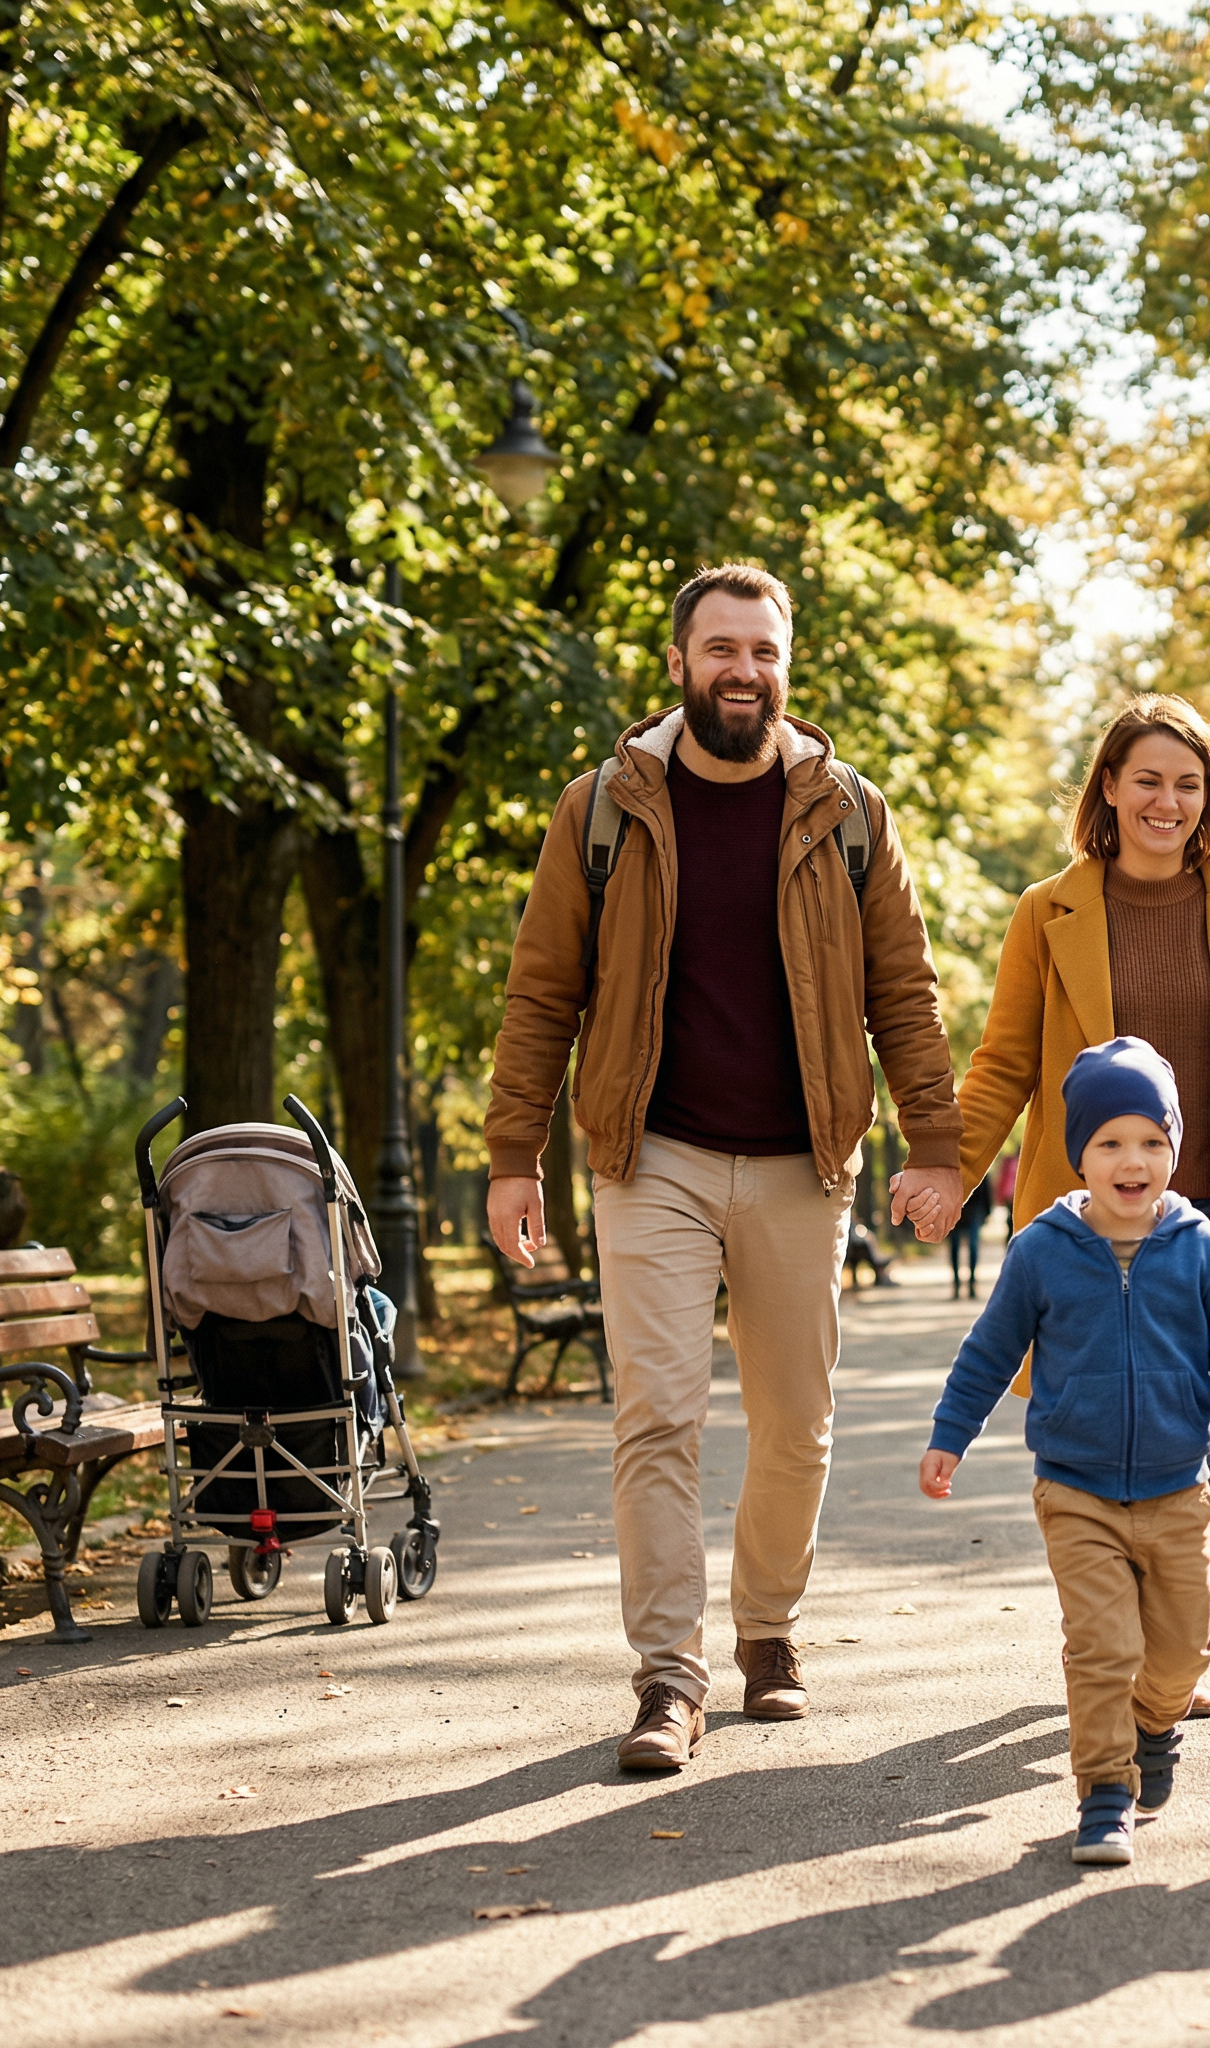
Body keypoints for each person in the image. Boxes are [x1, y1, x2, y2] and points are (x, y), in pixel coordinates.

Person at [484, 563, 964, 1772]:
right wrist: (512, 1154)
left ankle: (769, 1634)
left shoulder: (847, 810)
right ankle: (668, 1675)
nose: (741, 671)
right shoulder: (602, 806)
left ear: (785, 662)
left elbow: (901, 990)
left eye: (762, 650)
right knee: (657, 1415)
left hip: (804, 1160)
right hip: (651, 1156)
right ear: (679, 663)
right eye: (719, 650)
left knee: (796, 1423)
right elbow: (543, 991)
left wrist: (937, 1143)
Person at [938, 694, 1210, 1675]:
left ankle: (1176, 1628)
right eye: (1147, 780)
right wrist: (946, 1171)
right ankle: (1111, 1620)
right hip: (1091, 1221)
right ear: (1110, 790)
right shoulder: (1048, 910)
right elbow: (1002, 1060)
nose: (1166, 801)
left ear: (1208, 796)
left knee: (1200, 1418)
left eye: (1187, 782)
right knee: (1095, 1414)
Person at [919, 1039, 1210, 1866]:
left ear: (1174, 1152)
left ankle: (1156, 1721)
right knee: (1103, 1647)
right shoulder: (1044, 1250)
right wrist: (950, 1435)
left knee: (1182, 1653)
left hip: (1178, 1489)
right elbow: (990, 1351)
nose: (1133, 1160)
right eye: (1110, 1142)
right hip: (1074, 1488)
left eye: (1152, 1141)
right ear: (1079, 1154)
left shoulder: (1202, 1248)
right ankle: (1105, 1795)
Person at [945, 1164, 994, 1299]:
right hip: (954, 1208)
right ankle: (956, 1283)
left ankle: (972, 1282)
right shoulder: (952, 1159)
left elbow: (986, 1185)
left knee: (973, 1247)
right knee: (954, 1247)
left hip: (975, 1210)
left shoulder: (978, 1154)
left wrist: (987, 1211)